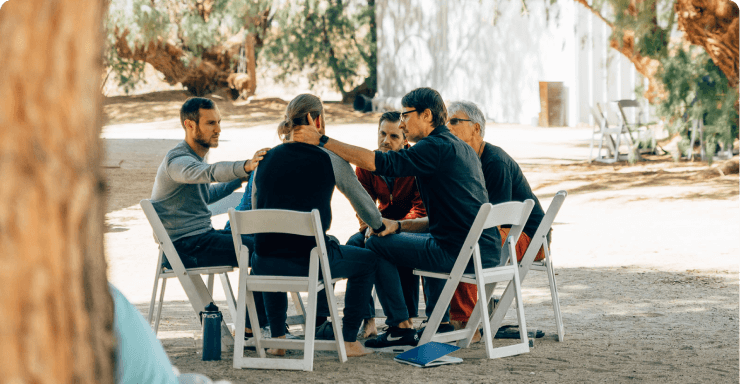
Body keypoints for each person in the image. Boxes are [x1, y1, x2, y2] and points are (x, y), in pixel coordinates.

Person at [292, 87, 502, 349]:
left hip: (458, 253)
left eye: (406, 115)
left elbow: (380, 162)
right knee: (387, 235)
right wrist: (399, 225)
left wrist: (322, 140)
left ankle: (400, 327)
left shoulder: (433, 146)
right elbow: (443, 219)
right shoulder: (460, 147)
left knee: (375, 243)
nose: (402, 123)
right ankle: (415, 321)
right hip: (486, 251)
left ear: (426, 115)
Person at [251, 93, 387, 357]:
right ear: (317, 120)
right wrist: (379, 226)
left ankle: (278, 338)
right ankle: (348, 339)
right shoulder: (329, 157)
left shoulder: (264, 159)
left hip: (264, 261)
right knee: (368, 261)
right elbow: (367, 209)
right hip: (309, 260)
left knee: (271, 248)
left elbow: (257, 211)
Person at [149, 96, 270, 332]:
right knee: (265, 250)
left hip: (198, 240)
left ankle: (253, 325)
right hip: (186, 247)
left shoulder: (194, 159)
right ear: (189, 125)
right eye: (211, 123)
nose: (218, 129)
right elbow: (210, 173)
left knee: (265, 243)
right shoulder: (178, 161)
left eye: (219, 122)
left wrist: (241, 177)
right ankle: (253, 327)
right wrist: (245, 165)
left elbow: (206, 195)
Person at [446, 100, 549, 330]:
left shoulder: (494, 162)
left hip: (529, 236)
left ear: (476, 129)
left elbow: (500, 221)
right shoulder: (461, 161)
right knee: (449, 241)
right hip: (499, 231)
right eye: (446, 122)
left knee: (470, 244)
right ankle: (444, 318)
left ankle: (465, 325)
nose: (448, 127)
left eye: (454, 121)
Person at [346, 111, 427, 338]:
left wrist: (394, 227)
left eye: (393, 136)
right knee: (355, 245)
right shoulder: (366, 165)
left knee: (380, 247)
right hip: (379, 225)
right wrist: (368, 227)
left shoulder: (416, 164)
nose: (386, 141)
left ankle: (403, 321)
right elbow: (363, 205)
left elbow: (420, 210)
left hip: (411, 227)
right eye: (382, 134)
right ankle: (368, 320)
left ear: (405, 140)